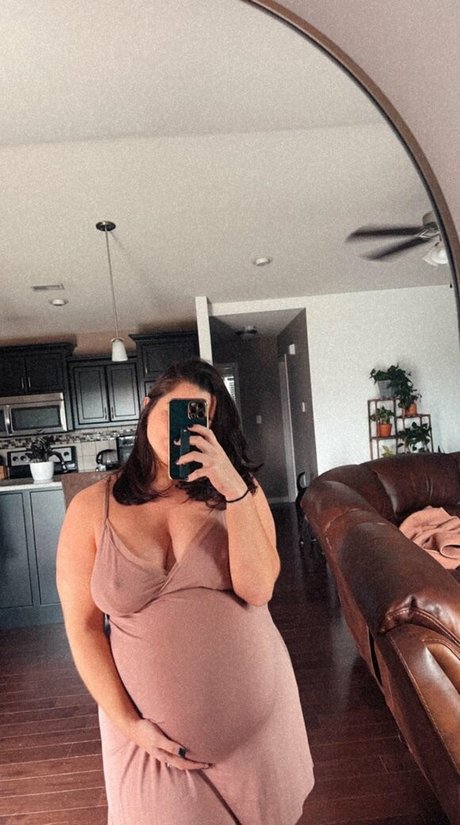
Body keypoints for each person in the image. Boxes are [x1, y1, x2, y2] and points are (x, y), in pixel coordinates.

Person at [56, 358, 314, 825]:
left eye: (201, 418)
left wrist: (234, 489)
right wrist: (129, 724)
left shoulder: (240, 492)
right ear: (147, 407)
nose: (186, 430)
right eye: (177, 413)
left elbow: (258, 589)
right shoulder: (91, 509)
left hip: (261, 734)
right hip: (149, 744)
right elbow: (83, 628)